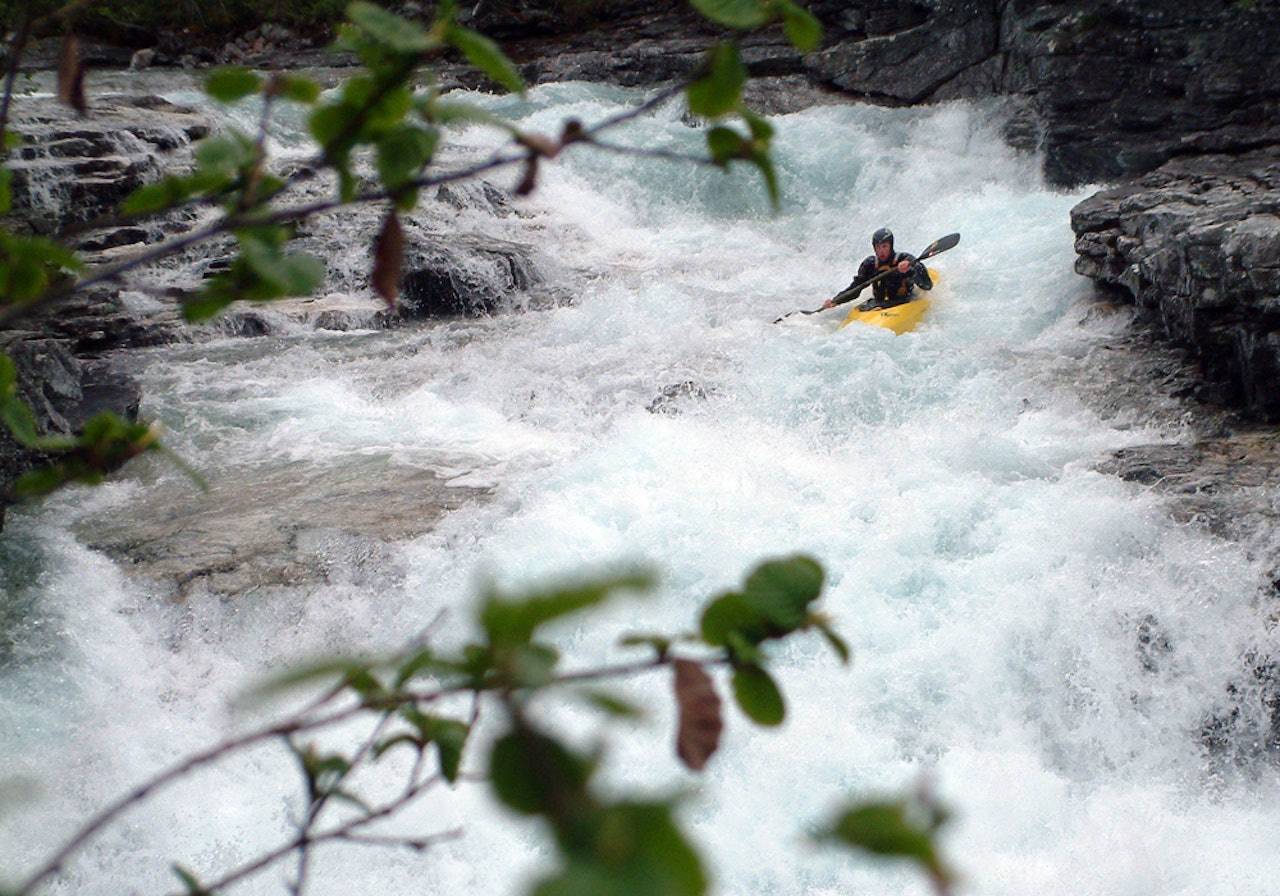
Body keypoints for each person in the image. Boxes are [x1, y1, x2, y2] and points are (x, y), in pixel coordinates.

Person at [823, 228, 933, 311]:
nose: (881, 251)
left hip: (903, 302)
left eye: (884, 246)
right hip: (879, 304)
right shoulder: (870, 264)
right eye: (878, 247)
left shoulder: (904, 259)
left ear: (891, 245)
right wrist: (837, 300)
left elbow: (927, 285)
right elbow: (856, 288)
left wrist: (910, 268)